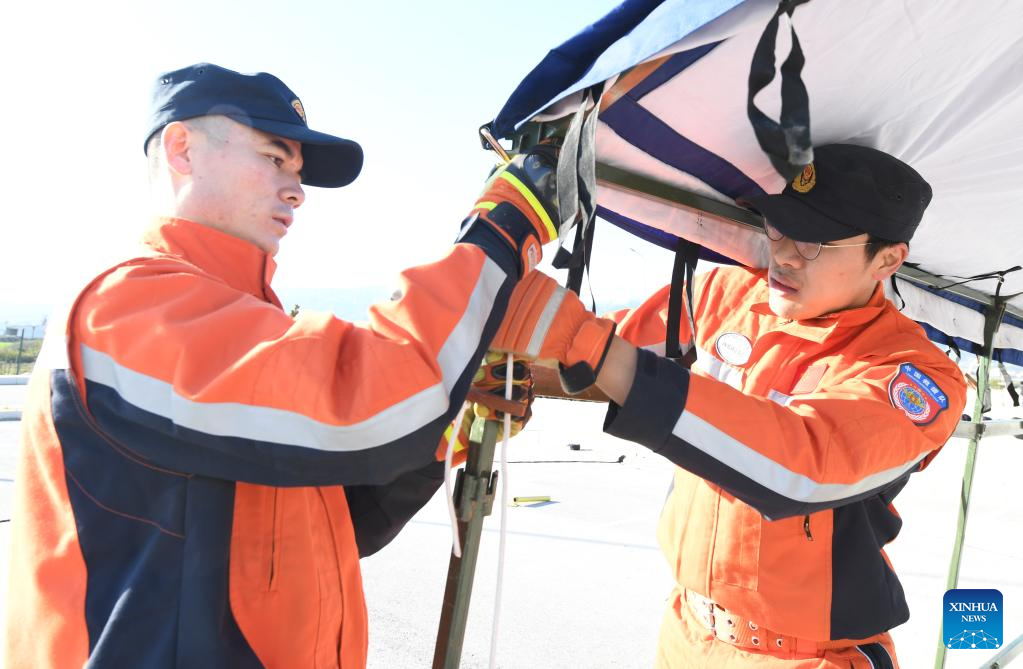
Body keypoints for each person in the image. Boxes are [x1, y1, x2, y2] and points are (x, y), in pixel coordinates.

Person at [6, 62, 558, 668]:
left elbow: (333, 527)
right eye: (274, 158)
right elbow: (363, 408)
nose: (296, 190)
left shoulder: (239, 321)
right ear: (182, 148)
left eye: (298, 171)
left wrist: (447, 418)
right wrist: (506, 226)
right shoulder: (129, 308)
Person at [491, 144, 967, 668]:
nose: (783, 254)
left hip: (809, 658)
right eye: (780, 227)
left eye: (813, 242)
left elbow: (803, 467)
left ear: (887, 259)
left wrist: (584, 345)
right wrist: (513, 369)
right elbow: (600, 353)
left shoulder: (915, 373)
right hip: (687, 634)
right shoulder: (726, 292)